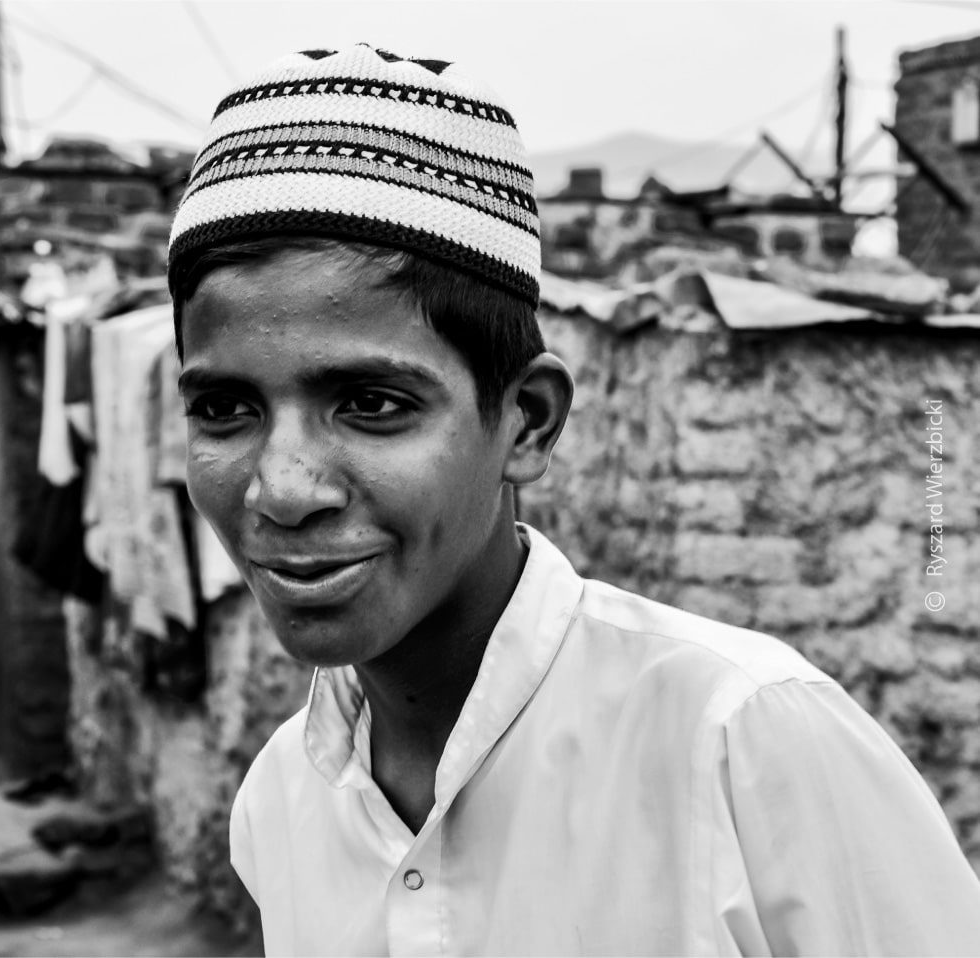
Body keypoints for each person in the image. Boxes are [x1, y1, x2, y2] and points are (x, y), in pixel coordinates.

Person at [166, 44, 980, 956]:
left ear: (528, 423)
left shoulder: (742, 744)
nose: (282, 490)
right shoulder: (281, 807)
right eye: (224, 409)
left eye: (371, 405)